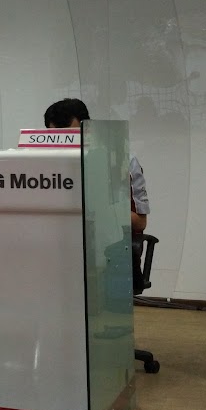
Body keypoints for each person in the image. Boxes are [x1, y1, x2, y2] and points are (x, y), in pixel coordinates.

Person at [44, 98, 150, 285]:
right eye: (57, 138)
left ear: (88, 129)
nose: (65, 144)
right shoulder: (44, 164)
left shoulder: (122, 161)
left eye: (70, 136)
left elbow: (140, 222)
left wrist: (103, 209)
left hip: (110, 249)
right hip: (62, 248)